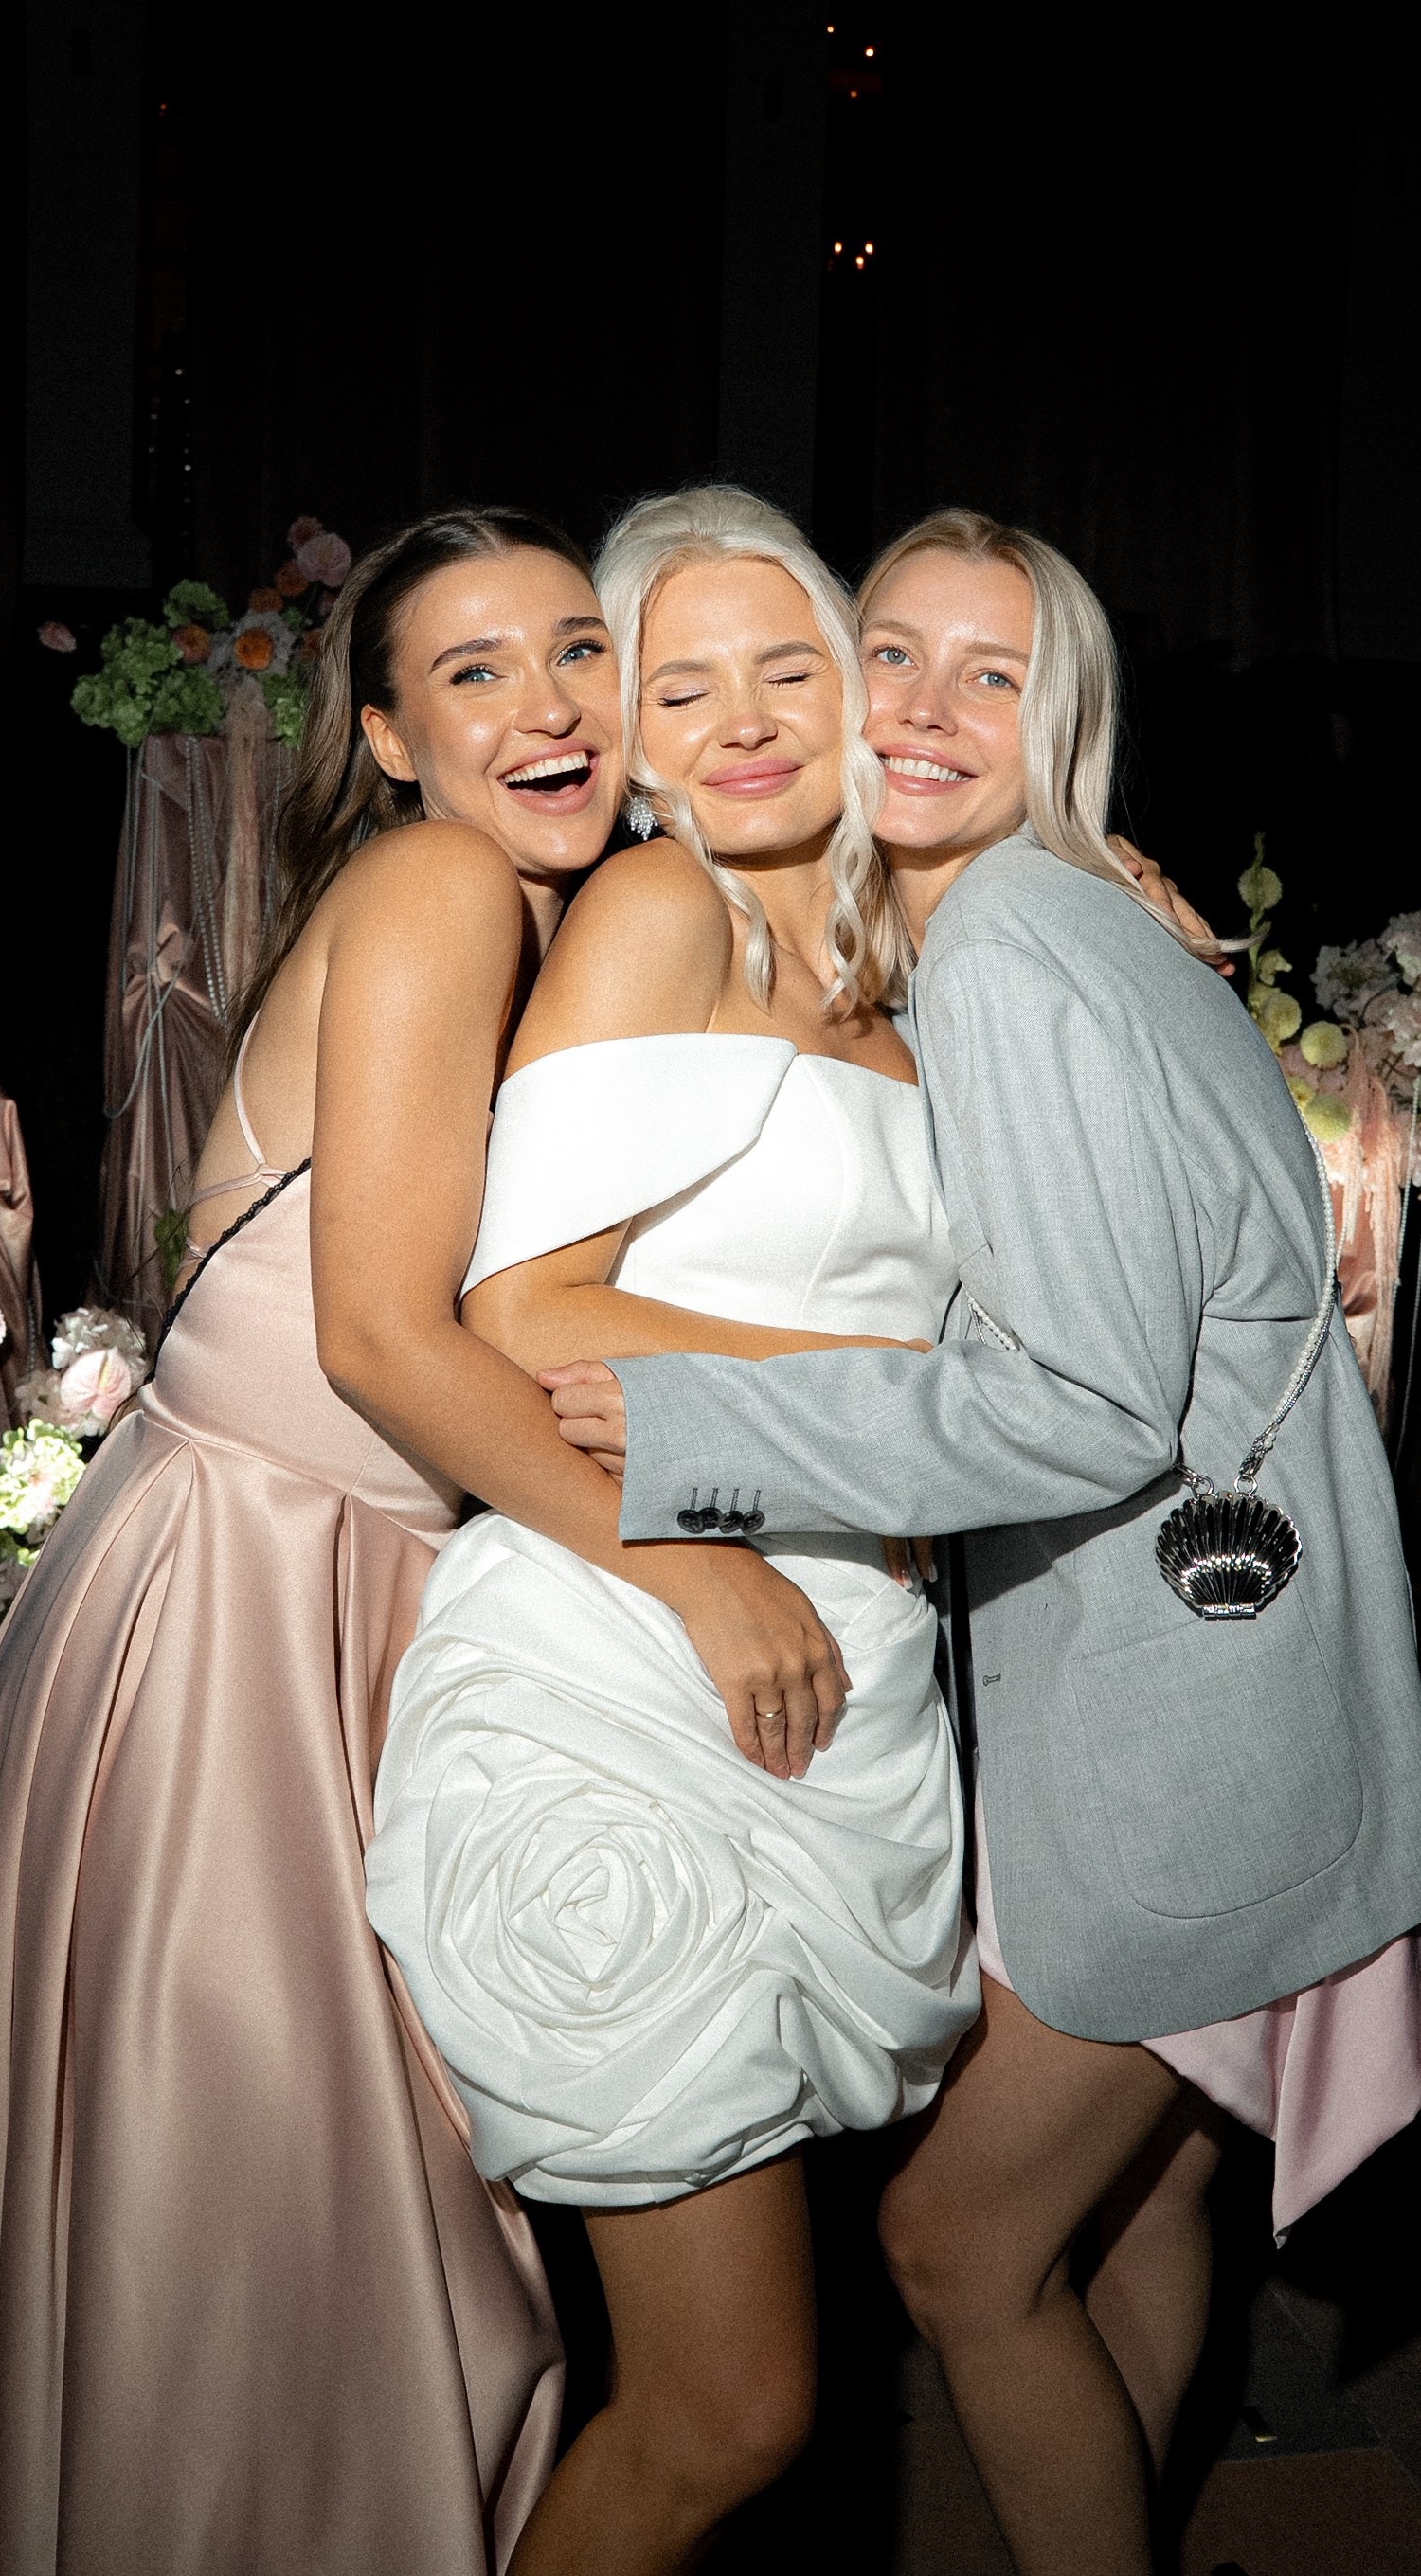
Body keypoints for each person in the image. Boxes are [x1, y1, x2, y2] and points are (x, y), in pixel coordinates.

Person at [0, 507, 845, 2576]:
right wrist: (687, 1565)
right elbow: (386, 1343)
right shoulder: (438, 883)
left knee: (328, 2234)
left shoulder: (574, 927)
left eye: (576, 650)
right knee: (286, 2238)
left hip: (338, 1574)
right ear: (394, 739)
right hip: (243, 1601)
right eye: (473, 672)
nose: (545, 705)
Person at [548, 509, 1421, 2576]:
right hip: (1253, 1674)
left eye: (995, 672)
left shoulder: (1017, 955)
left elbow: (1081, 1405)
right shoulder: (1072, 918)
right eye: (894, 653)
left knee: (957, 2250)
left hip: (1182, 1732)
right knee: (1139, 2202)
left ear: (1064, 720)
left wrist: (700, 1426)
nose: (931, 709)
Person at [365, 487, 983, 2576]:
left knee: (747, 2401)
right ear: (626, 731)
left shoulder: (915, 960)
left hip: (843, 1682)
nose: (742, 723)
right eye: (679, 684)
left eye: (787, 668)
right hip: (626, 1676)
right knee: (731, 2412)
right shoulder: (660, 913)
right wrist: (922, 1404)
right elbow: (525, 1311)